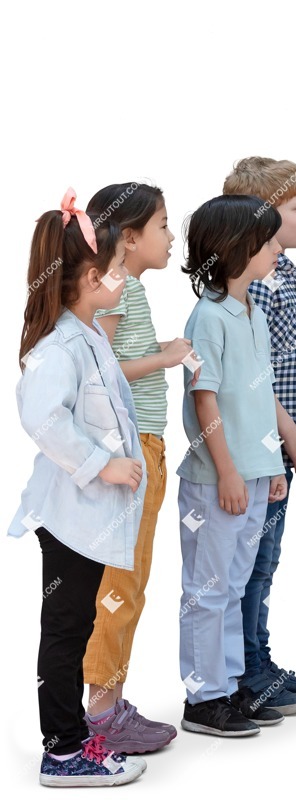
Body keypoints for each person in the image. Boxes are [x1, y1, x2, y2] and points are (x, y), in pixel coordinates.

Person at [9, 189, 147, 786]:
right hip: (70, 516)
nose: (123, 279)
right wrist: (103, 465)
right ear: (91, 276)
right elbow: (42, 418)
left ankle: (70, 738)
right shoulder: (59, 347)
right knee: (65, 632)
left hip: (89, 517)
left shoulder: (88, 335)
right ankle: (63, 751)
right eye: (116, 269)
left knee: (76, 626)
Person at [82, 182, 192, 752]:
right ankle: (101, 713)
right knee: (121, 581)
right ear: (130, 238)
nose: (172, 237)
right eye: (164, 226)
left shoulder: (130, 287)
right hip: (131, 449)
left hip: (144, 446)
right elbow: (99, 374)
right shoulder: (117, 284)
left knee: (134, 577)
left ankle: (111, 700)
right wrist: (166, 357)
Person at [177, 194, 288, 736]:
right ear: (236, 248)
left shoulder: (253, 313)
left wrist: (272, 466)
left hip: (254, 473)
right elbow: (206, 399)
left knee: (235, 586)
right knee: (208, 589)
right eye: (268, 241)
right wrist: (225, 470)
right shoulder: (207, 318)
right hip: (217, 481)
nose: (275, 249)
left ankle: (229, 687)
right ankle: (203, 699)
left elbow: (261, 393)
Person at [223, 158, 296, 715]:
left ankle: (257, 660)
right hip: (264, 447)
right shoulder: (259, 282)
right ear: (262, 221)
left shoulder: (283, 271)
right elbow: (252, 372)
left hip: (279, 447)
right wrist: (292, 436)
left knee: (266, 558)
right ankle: (245, 672)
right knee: (253, 561)